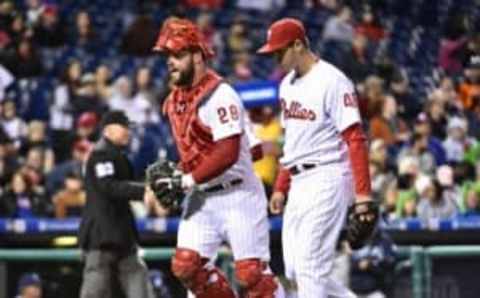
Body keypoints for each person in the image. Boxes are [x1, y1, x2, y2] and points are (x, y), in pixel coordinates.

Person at [152, 18, 285, 298]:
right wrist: (177, 174)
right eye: (168, 56)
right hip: (202, 195)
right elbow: (196, 152)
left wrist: (185, 180)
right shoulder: (176, 100)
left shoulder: (221, 95)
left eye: (178, 54)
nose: (170, 62)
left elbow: (227, 153)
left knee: (253, 276)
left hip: (238, 194)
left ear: (198, 56)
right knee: (187, 266)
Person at [258, 18, 375, 297]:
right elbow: (293, 141)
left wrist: (363, 196)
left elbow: (355, 139)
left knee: (311, 267)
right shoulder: (287, 85)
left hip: (328, 175)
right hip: (299, 181)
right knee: (297, 270)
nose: (275, 59)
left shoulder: (333, 81)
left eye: (279, 51)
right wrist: (281, 186)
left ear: (298, 44)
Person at [78, 111, 154, 298]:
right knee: (96, 290)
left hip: (121, 232)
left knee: (138, 278)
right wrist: (143, 191)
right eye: (124, 127)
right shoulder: (101, 153)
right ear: (108, 130)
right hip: (102, 234)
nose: (128, 131)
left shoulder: (115, 154)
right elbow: (108, 186)